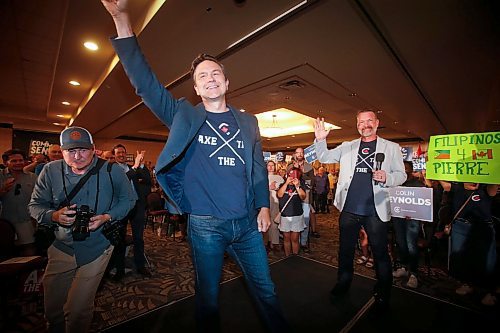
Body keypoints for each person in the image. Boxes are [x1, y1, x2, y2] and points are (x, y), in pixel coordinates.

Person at [101, 1, 290, 332]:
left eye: (216, 73)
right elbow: (145, 83)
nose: (210, 78)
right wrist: (122, 21)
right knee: (208, 298)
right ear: (196, 87)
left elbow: (258, 168)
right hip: (205, 226)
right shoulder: (183, 115)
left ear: (227, 83)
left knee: (267, 292)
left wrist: (262, 204)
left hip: (247, 224)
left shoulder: (249, 122)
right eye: (202, 75)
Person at [28, 126, 136, 332]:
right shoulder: (50, 170)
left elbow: (128, 200)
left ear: (93, 149)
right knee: (52, 309)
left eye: (83, 150)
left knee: (77, 310)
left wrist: (107, 217)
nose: (77, 156)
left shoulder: (112, 170)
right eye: (71, 151)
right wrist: (54, 216)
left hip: (98, 246)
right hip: (61, 246)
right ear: (62, 151)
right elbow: (35, 205)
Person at [313, 111, 406, 312]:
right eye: (361, 122)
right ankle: (343, 283)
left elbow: (401, 175)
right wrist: (320, 141)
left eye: (369, 121)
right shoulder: (348, 146)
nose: (366, 125)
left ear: (377, 123)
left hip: (376, 211)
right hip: (349, 209)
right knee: (345, 251)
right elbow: (324, 156)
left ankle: (383, 292)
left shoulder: (392, 148)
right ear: (357, 125)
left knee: (380, 254)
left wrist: (388, 177)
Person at [438, 180, 498, 306]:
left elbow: (493, 189)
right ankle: (468, 284)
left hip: (482, 227)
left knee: (486, 261)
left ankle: (490, 291)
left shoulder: (487, 185)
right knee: (462, 258)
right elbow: (444, 183)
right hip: (461, 225)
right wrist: (431, 164)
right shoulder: (457, 186)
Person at [110, 144, 152, 280]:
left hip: (137, 206)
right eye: (118, 153)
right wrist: (135, 166)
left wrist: (141, 165)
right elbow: (122, 180)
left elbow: (147, 179)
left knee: (138, 238)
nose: (121, 155)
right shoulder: (112, 168)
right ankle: (120, 269)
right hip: (121, 207)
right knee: (120, 239)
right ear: (114, 155)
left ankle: (140, 265)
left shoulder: (131, 167)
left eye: (123, 152)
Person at [391, 161, 426, 289]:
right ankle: (403, 267)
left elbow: (424, 204)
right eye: (402, 168)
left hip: (412, 220)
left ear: (411, 170)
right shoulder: (396, 183)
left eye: (406, 168)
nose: (404, 170)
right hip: (398, 218)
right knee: (401, 243)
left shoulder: (418, 185)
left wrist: (414, 212)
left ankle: (414, 274)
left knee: (411, 245)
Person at [0, 149, 38, 255]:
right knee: (5, 250)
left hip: (26, 219)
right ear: (5, 163)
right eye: (14, 161)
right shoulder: (1, 176)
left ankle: (30, 271)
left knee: (29, 248)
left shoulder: (33, 177)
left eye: (20, 160)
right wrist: (3, 190)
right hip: (4, 221)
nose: (18, 163)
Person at [276, 167, 306, 256]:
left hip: (297, 215)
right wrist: (286, 183)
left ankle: (295, 257)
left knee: (295, 238)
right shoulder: (283, 184)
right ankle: (287, 256)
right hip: (285, 215)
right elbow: (279, 195)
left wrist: (297, 186)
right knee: (286, 238)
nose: (293, 176)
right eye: (291, 174)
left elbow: (303, 197)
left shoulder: (301, 184)